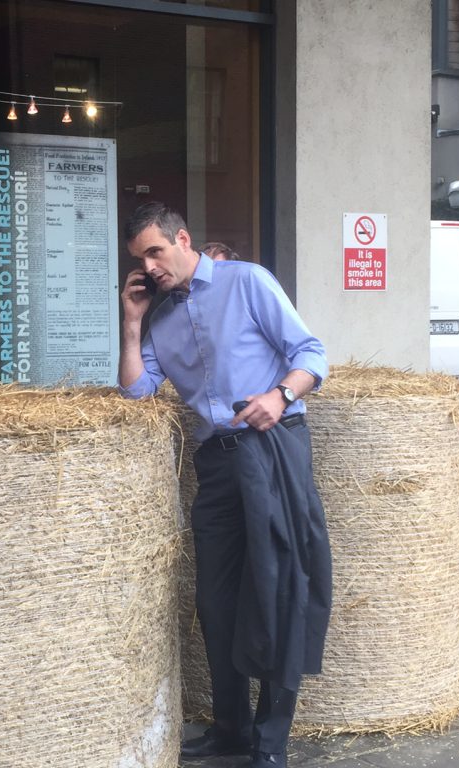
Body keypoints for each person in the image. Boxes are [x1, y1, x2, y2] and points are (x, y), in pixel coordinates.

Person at [118, 203, 332, 768]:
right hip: (215, 463)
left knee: (278, 588)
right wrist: (133, 321)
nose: (150, 266)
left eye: (155, 251)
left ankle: (270, 742)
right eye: (140, 258)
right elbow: (137, 392)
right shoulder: (160, 321)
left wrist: (279, 395)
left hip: (273, 449)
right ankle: (231, 730)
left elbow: (312, 354)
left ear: (182, 239)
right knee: (217, 601)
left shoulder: (249, 282)